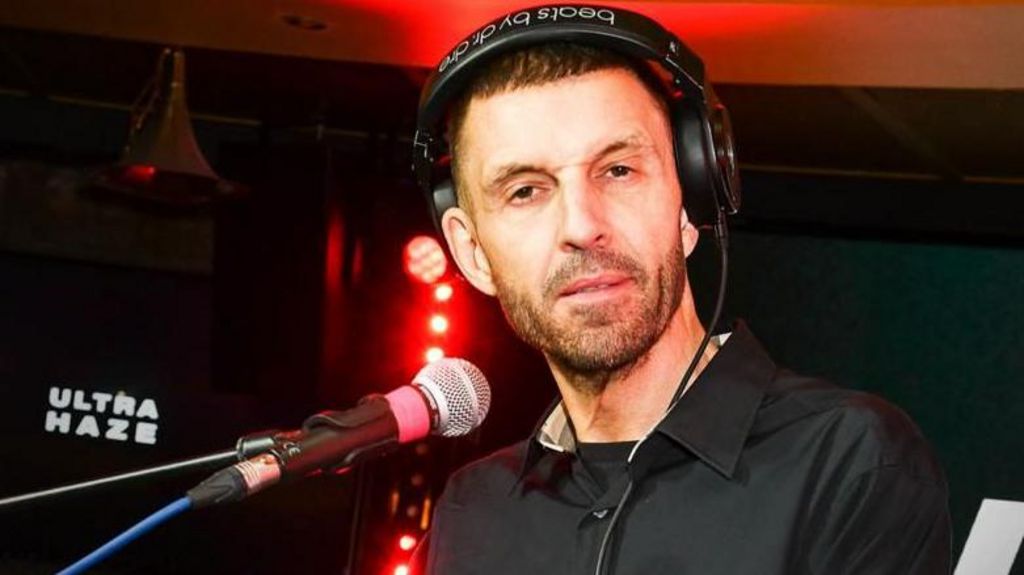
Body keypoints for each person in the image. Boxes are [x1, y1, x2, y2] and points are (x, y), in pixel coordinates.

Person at [412, 6, 951, 574]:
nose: (580, 226)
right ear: (472, 253)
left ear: (691, 204)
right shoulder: (469, 512)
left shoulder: (849, 459)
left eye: (618, 170)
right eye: (525, 191)